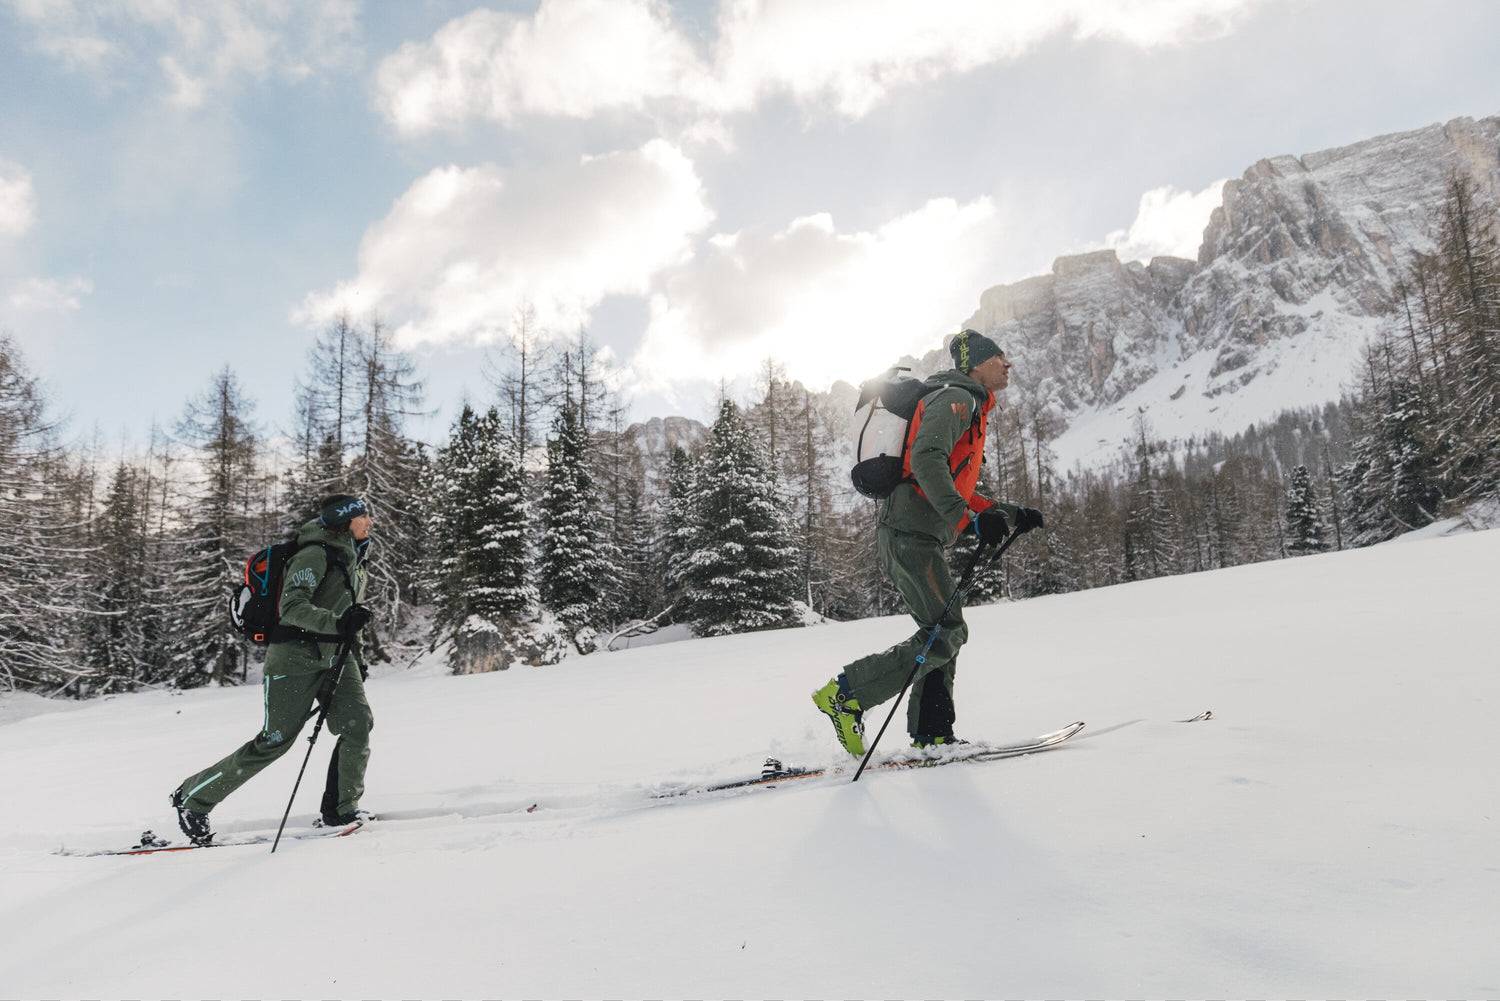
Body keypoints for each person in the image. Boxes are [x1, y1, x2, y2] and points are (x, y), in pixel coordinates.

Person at [813, 330, 1043, 756]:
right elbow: (924, 460)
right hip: (909, 534)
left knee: (939, 632)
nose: (1007, 364)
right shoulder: (959, 398)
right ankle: (847, 694)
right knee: (947, 631)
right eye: (999, 358)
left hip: (917, 534)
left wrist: (1009, 515)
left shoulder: (968, 405)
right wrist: (969, 522)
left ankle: (932, 734)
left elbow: (955, 484)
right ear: (976, 364)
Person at [170, 495, 376, 843]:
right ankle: (193, 799)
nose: (369, 521)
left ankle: (341, 808)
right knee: (274, 742)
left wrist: (356, 654)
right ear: (345, 520)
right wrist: (339, 623)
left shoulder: (354, 560)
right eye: (363, 515)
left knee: (358, 725)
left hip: (336, 658)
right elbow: (292, 607)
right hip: (293, 659)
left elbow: (348, 616)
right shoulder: (313, 553)